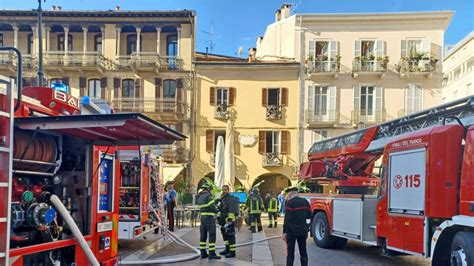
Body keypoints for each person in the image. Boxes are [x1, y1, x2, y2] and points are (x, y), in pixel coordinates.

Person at [283, 187, 311, 266]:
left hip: (291, 232)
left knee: (290, 253)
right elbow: (309, 216)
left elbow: (287, 220)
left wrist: (284, 232)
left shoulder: (290, 203)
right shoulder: (305, 202)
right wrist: (307, 227)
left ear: (291, 194)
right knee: (303, 252)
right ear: (297, 193)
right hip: (302, 231)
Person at [197, 183, 221, 260]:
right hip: (210, 218)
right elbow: (212, 207)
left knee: (203, 235)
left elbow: (206, 205)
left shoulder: (200, 197)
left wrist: (214, 201)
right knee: (212, 235)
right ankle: (212, 254)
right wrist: (217, 211)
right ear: (208, 189)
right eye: (210, 189)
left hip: (203, 218)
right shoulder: (208, 196)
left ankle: (203, 253)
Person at [218, 185, 239, 258]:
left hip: (229, 221)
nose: (224, 191)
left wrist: (229, 221)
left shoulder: (231, 199)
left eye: (225, 190)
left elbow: (231, 211)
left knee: (230, 236)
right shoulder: (222, 199)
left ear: (228, 190)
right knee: (225, 235)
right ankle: (227, 249)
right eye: (223, 190)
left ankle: (232, 252)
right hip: (223, 221)